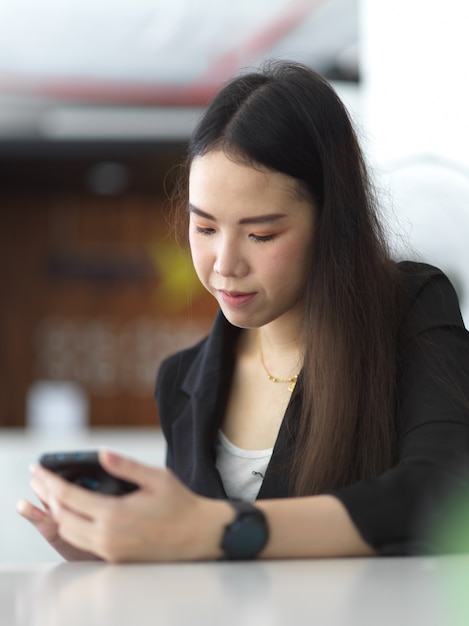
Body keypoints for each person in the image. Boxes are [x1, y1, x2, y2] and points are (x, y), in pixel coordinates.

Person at [17, 60, 469, 562]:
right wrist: (127, 555)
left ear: (331, 224)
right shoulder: (182, 381)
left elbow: (442, 492)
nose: (224, 265)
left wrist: (220, 528)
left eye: (261, 234)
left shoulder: (412, 309)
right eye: (205, 228)